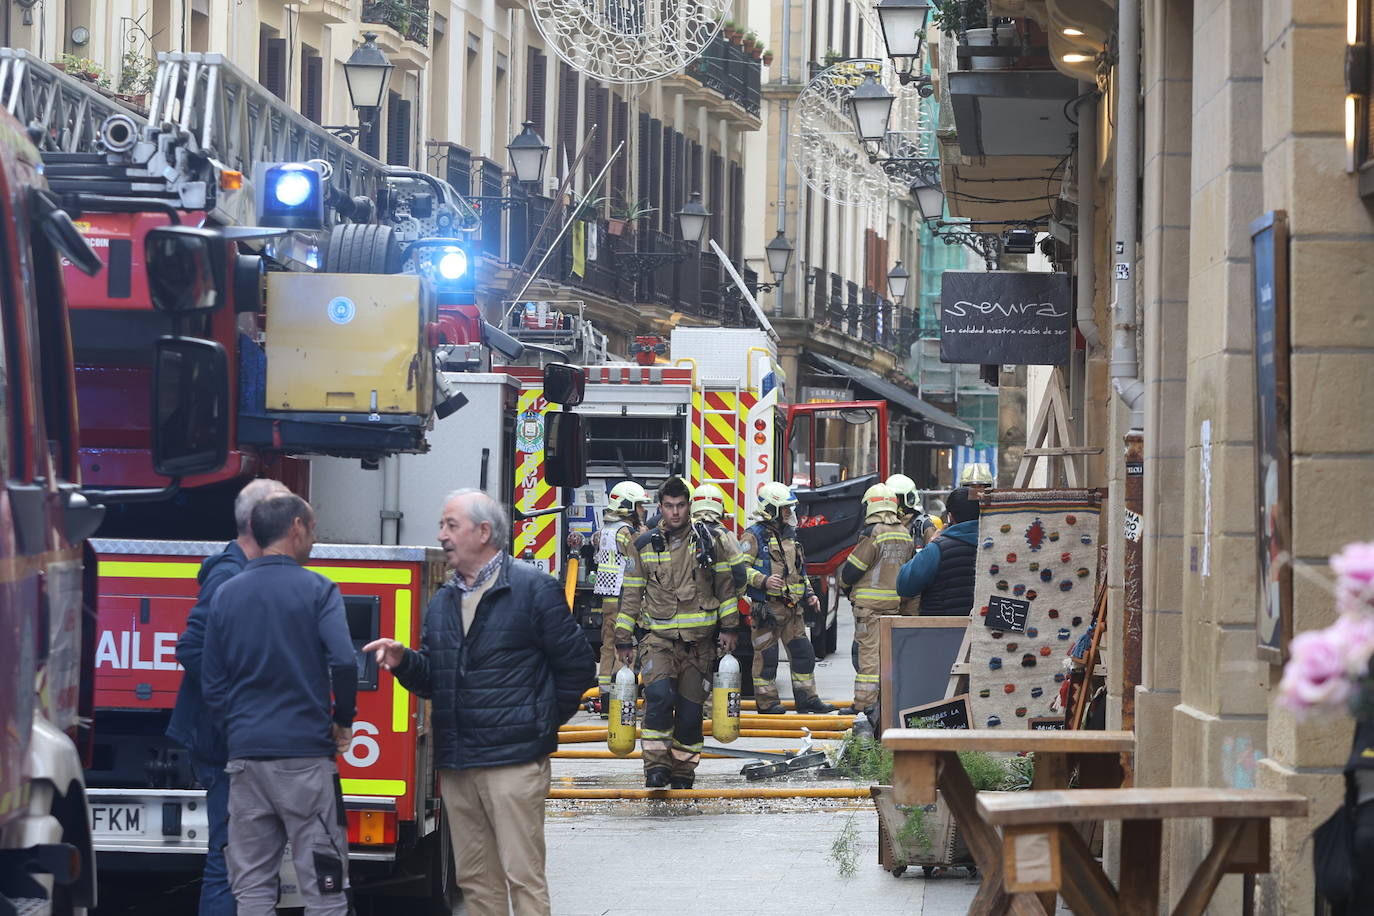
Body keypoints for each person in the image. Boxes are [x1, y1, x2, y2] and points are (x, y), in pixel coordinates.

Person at [364, 489, 594, 916]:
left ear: (484, 531)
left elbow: (579, 667)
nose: (442, 535)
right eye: (442, 526)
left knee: (522, 877)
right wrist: (403, 662)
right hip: (459, 764)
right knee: (475, 884)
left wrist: (539, 721)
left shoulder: (532, 589)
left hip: (514, 763)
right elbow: (435, 679)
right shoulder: (443, 601)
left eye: (451, 525)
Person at [201, 494, 358, 916]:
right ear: (295, 528)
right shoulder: (319, 589)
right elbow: (344, 661)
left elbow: (211, 680)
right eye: (313, 527)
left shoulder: (227, 594)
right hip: (306, 763)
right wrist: (342, 721)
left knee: (251, 890)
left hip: (247, 763)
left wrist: (235, 730)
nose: (315, 536)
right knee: (325, 889)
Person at [167, 478, 289, 916]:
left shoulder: (242, 570)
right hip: (224, 743)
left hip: (230, 740)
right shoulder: (228, 575)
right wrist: (237, 712)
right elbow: (193, 648)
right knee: (231, 861)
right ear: (262, 523)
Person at [616, 477, 739, 789]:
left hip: (699, 645)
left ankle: (683, 772)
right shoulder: (643, 545)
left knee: (689, 712)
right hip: (657, 642)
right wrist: (622, 639)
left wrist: (730, 628)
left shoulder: (710, 542)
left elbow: (726, 588)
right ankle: (655, 767)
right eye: (669, 506)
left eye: (680, 505)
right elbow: (631, 594)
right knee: (657, 699)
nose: (675, 512)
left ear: (689, 507)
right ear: (660, 507)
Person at [739, 482, 832, 715]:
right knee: (767, 658)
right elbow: (740, 569)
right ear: (771, 509)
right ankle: (767, 703)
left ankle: (807, 699)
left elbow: (799, 571)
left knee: (803, 654)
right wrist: (763, 581)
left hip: (792, 610)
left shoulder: (790, 536)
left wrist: (810, 594)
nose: (790, 514)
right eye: (786, 509)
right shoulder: (753, 536)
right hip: (767, 610)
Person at [838, 483, 915, 714]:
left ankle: (864, 707)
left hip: (869, 610)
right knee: (888, 658)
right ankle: (886, 704)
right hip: (894, 607)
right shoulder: (904, 533)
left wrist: (844, 586)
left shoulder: (873, 534)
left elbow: (851, 571)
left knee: (869, 660)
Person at [584, 480, 650, 715]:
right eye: (640, 506)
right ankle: (620, 699)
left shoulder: (604, 531)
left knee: (608, 646)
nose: (643, 510)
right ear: (629, 506)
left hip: (608, 597)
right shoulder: (627, 533)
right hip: (625, 595)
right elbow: (641, 559)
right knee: (627, 646)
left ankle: (605, 698)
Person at [896, 486, 982, 616]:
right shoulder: (994, 546)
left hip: (941, 631)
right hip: (983, 632)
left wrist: (931, 543)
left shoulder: (936, 549)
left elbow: (905, 586)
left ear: (950, 517)